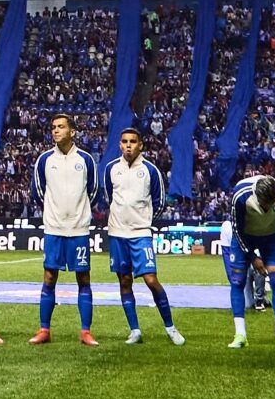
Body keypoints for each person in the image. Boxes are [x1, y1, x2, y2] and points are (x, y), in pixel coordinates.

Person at [106, 128, 183, 346]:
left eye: (133, 142)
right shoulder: (111, 168)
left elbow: (159, 201)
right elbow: (109, 196)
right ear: (120, 144)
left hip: (140, 234)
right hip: (117, 233)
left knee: (151, 280)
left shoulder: (150, 170)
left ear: (140, 145)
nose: (128, 145)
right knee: (124, 281)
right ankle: (135, 330)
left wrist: (143, 220)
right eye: (124, 141)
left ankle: (170, 328)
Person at [29, 113, 100, 347]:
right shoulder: (45, 159)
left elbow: (94, 190)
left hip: (79, 228)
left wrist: (79, 213)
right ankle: (44, 329)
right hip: (54, 227)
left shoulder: (86, 159)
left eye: (61, 127)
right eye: (53, 127)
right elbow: (38, 191)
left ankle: (86, 331)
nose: (56, 131)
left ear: (73, 131)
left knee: (83, 277)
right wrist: (55, 212)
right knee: (49, 276)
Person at [223, 170, 275, 349]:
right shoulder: (241, 195)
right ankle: (240, 335)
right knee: (237, 282)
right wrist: (252, 257)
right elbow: (237, 228)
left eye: (271, 203)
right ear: (257, 195)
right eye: (264, 203)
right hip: (244, 237)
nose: (267, 207)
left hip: (271, 237)